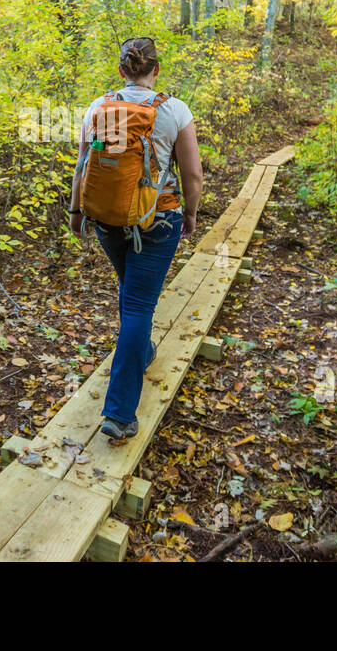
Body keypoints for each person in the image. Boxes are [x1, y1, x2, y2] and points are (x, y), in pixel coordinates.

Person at [68, 37, 203, 439]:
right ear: (155, 70)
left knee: (131, 294)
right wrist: (191, 214)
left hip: (108, 219)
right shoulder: (174, 109)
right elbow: (192, 175)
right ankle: (121, 413)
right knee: (139, 303)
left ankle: (141, 351)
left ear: (122, 70)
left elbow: (83, 164)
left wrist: (76, 213)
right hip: (158, 221)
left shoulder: (98, 107)